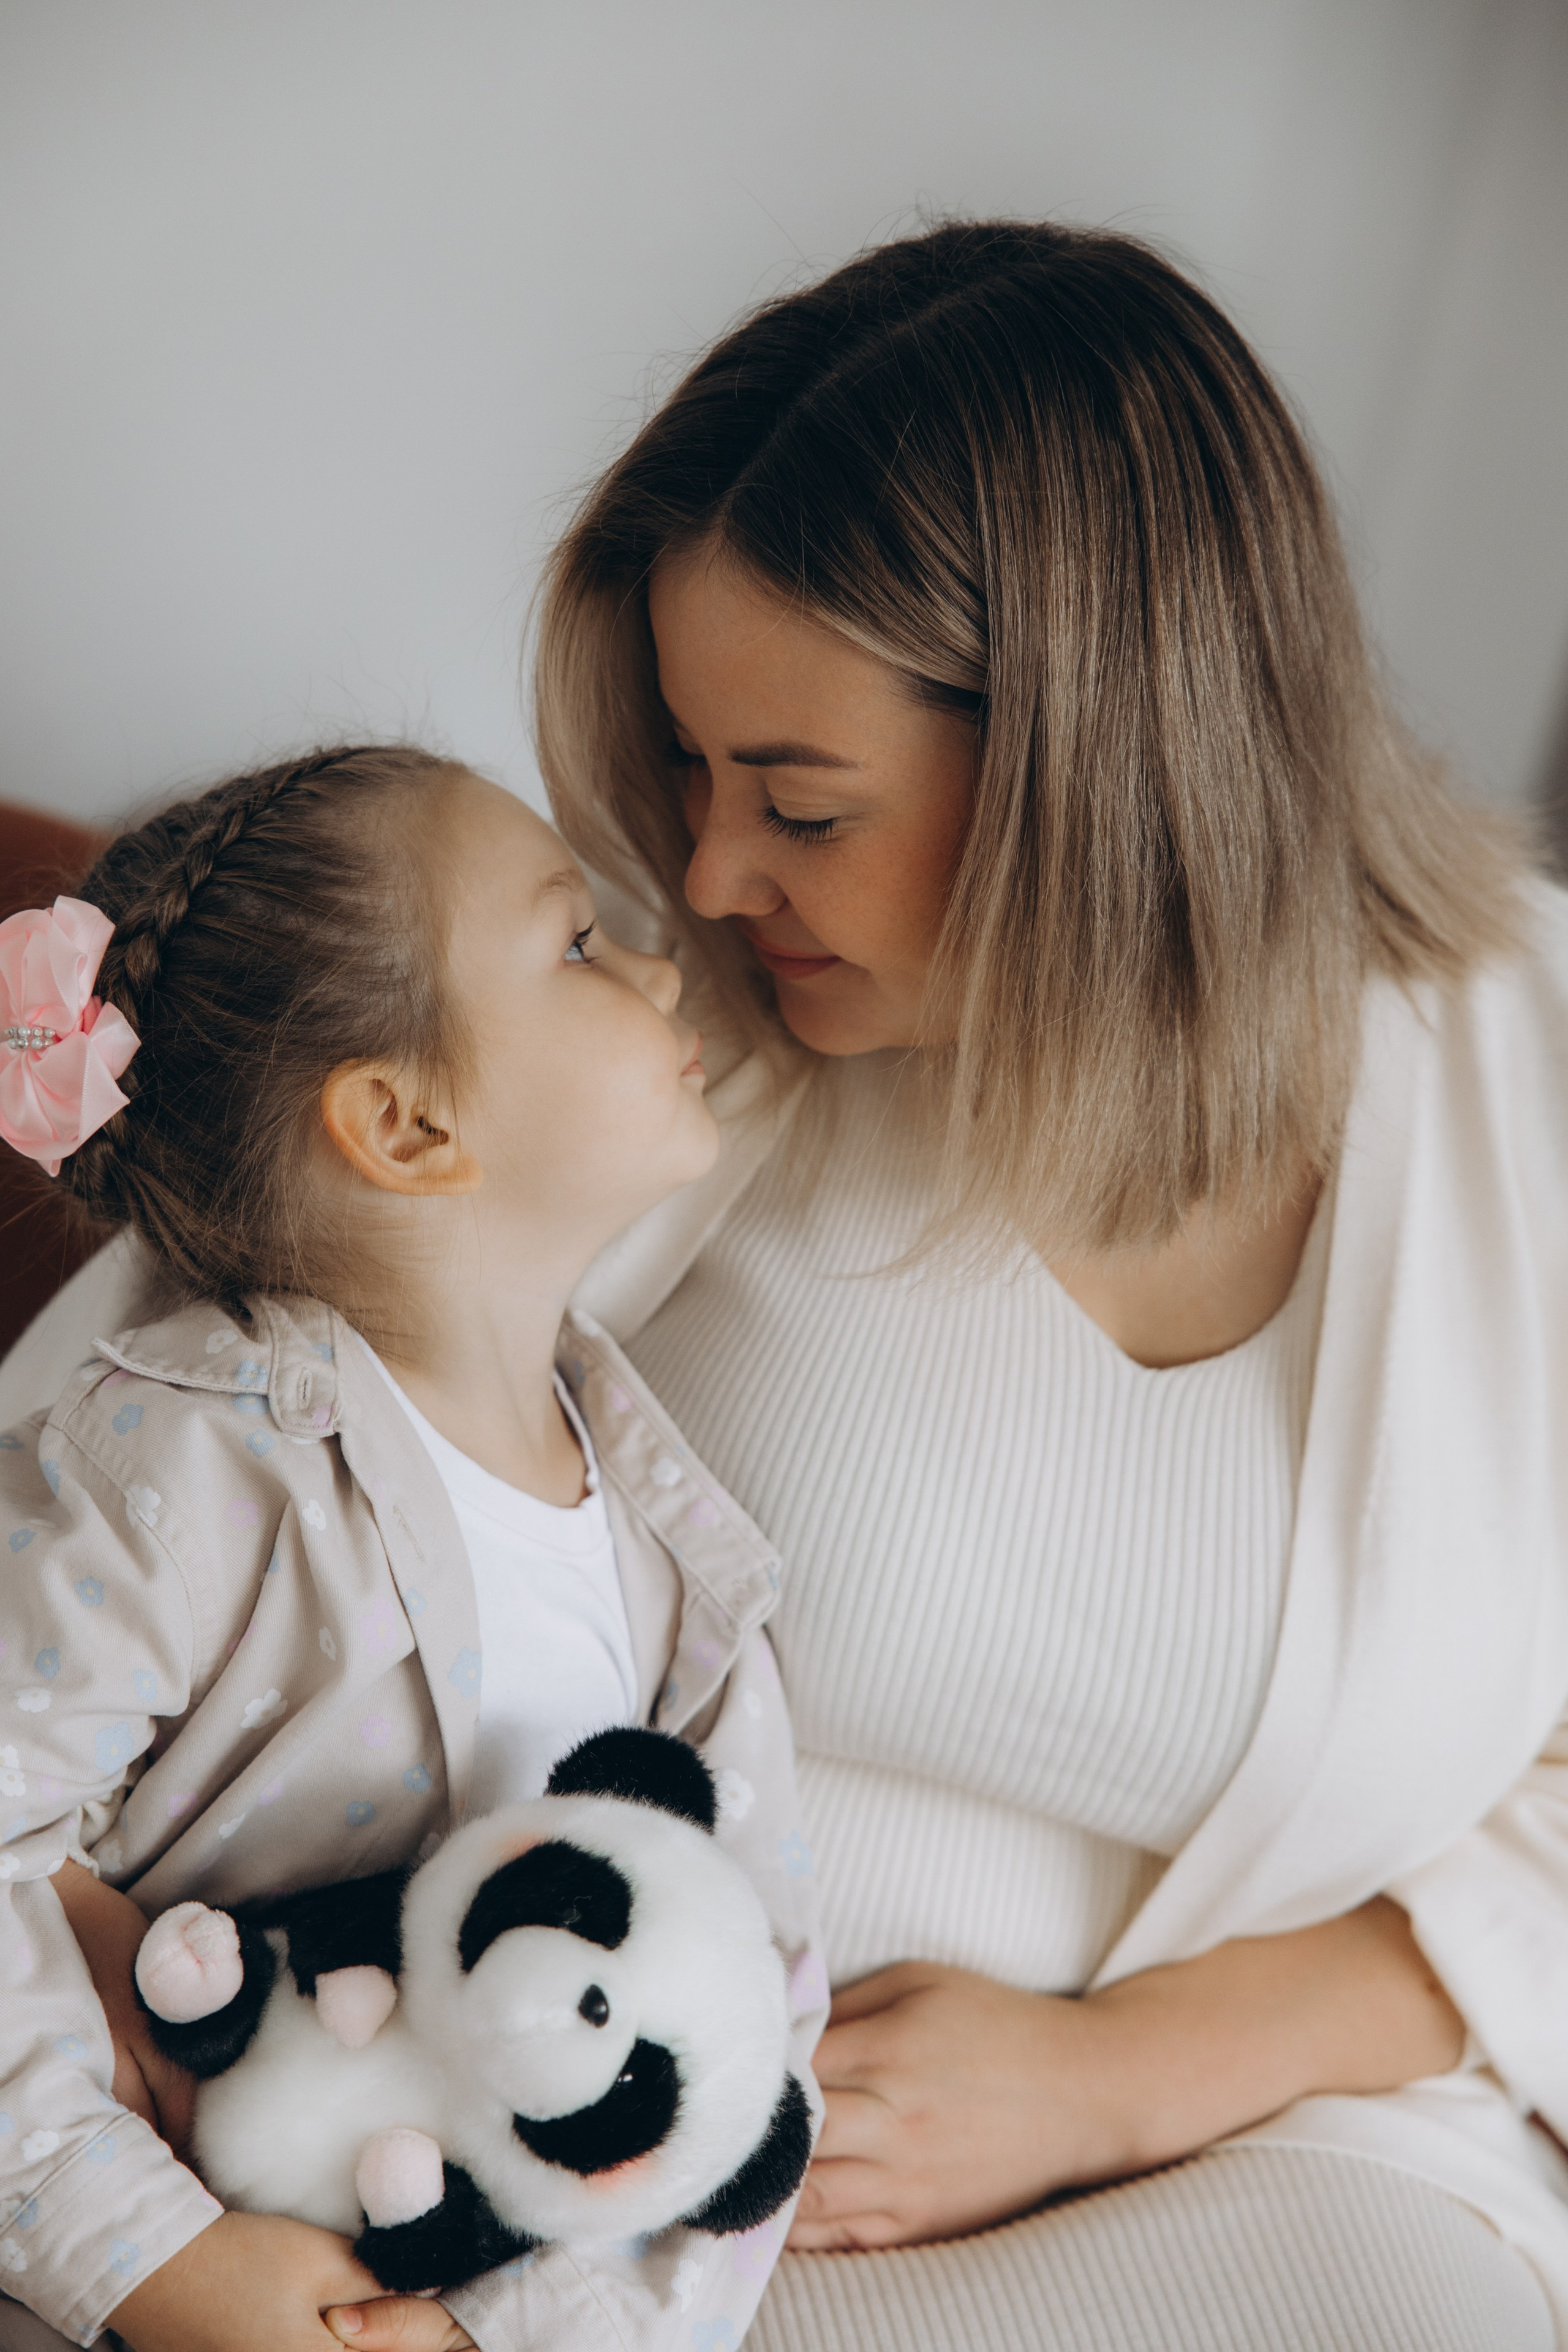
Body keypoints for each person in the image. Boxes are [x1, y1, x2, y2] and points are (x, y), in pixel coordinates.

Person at [8, 219, 1568, 2352]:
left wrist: (1129, 2075)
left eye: (804, 807)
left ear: (1104, 777)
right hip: (526, 2168)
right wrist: (140, 2083)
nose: (709, 878)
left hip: (1287, 2144)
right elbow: (102, 1533)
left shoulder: (1524, 1088)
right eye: (691, 768)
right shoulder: (623, 1083)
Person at [0, 745, 824, 2352]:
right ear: (405, 1120)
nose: (663, 970)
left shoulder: (682, 1569)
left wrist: (536, 2331)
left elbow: (761, 2012)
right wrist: (156, 2262)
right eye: (578, 942)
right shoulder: (188, 1471)